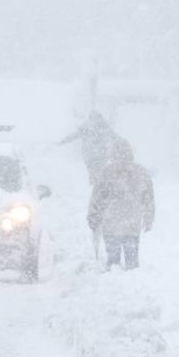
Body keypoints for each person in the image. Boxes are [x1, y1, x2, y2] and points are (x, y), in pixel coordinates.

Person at [88, 140, 154, 271]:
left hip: (111, 223)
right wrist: (148, 217)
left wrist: (93, 215)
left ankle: (114, 282)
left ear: (112, 154)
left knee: (113, 263)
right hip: (132, 225)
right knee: (132, 263)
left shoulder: (106, 172)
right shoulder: (140, 172)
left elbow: (97, 197)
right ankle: (131, 282)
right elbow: (148, 198)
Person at [60, 110, 117, 186]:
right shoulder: (103, 126)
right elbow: (114, 136)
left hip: (90, 155)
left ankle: (94, 186)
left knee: (93, 172)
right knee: (100, 172)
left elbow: (73, 136)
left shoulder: (86, 127)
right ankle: (99, 186)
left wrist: (62, 142)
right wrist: (124, 143)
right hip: (100, 155)